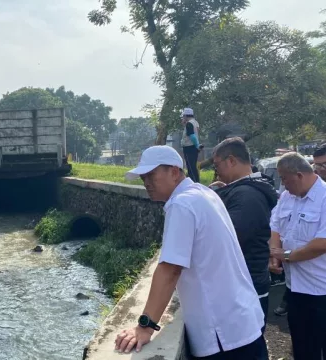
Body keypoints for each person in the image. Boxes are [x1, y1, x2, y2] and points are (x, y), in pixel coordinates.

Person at [115, 145, 267, 359]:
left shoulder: (182, 205)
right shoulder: (204, 193)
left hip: (224, 335)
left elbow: (170, 270)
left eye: (151, 175)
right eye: (143, 177)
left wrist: (145, 326)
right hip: (244, 320)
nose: (146, 182)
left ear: (174, 172)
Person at [209, 137, 277, 332]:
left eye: (217, 166)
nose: (217, 172)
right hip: (244, 285)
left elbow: (229, 239)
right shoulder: (243, 190)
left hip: (248, 287)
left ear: (231, 161)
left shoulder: (247, 195)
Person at [269, 152, 326, 360]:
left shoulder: (324, 198)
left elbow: (322, 243)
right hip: (295, 290)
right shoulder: (287, 196)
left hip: (321, 292)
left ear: (299, 175)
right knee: (302, 349)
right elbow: (275, 226)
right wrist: (275, 254)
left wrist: (286, 256)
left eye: (284, 178)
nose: (282, 183)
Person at [180, 108, 202, 183]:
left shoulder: (189, 124)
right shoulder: (195, 122)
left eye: (183, 116)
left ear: (186, 115)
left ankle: (195, 183)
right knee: (193, 167)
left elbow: (192, 136)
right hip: (193, 147)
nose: (183, 118)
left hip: (189, 147)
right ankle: (196, 182)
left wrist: (197, 145)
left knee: (191, 168)